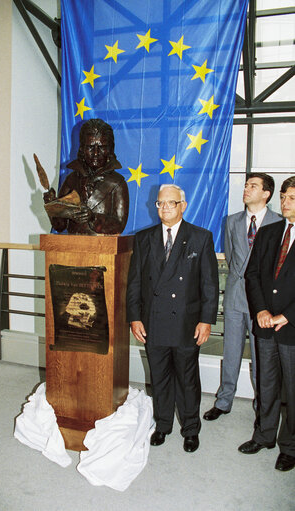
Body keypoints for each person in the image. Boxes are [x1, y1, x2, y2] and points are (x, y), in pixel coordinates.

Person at [126, 184, 218, 452]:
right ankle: (163, 424)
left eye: (171, 203)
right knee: (160, 377)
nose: (165, 208)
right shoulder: (144, 238)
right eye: (160, 203)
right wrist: (134, 317)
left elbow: (209, 285)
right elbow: (135, 283)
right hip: (152, 321)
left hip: (186, 323)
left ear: (183, 205)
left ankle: (190, 428)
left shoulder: (200, 237)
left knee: (187, 379)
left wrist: (206, 320)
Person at [204, 173, 280, 421]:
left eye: (253, 186)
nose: (246, 189)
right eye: (246, 185)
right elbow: (230, 254)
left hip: (264, 303)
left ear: (266, 193)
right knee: (231, 352)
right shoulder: (232, 221)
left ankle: (263, 406)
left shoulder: (278, 223)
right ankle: (224, 400)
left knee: (262, 357)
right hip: (236, 297)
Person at [238, 176, 295, 472]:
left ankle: (290, 447)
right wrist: (260, 310)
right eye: (284, 197)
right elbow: (253, 275)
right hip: (264, 324)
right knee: (267, 383)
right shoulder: (270, 231)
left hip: (291, 328)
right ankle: (265, 435)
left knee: (293, 390)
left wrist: (286, 316)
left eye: (292, 199)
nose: (285, 203)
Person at [43, 118, 129, 235]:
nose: (95, 153)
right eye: (90, 147)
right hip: (71, 247)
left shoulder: (117, 183)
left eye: (102, 147)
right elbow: (60, 226)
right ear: (82, 149)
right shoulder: (71, 180)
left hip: (104, 248)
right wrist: (53, 207)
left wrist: (93, 218)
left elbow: (119, 225)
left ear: (109, 149)